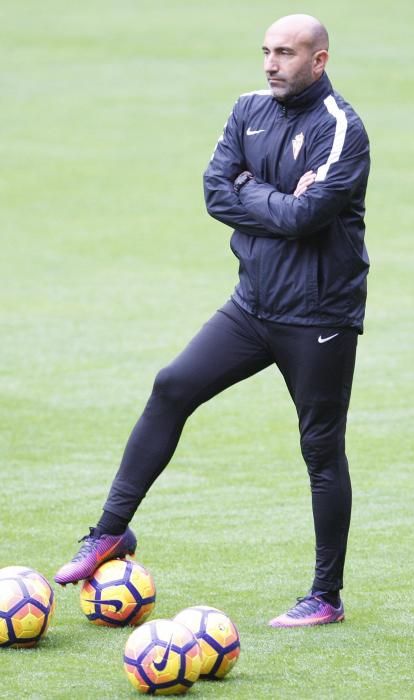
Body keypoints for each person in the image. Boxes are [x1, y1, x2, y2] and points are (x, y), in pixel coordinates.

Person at [55, 13, 370, 628]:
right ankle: (109, 532)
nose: (270, 63)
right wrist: (274, 198)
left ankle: (325, 596)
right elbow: (215, 192)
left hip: (318, 316)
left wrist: (255, 191)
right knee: (172, 386)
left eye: (285, 53)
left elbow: (306, 218)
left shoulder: (342, 130)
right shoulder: (247, 108)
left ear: (319, 60)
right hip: (251, 305)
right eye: (266, 51)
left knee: (320, 450)